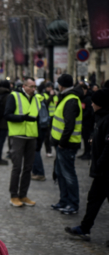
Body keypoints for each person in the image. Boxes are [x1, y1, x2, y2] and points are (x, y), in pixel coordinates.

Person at [65, 89, 109, 242]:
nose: (91, 104)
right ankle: (84, 228)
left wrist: (100, 163)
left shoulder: (107, 119)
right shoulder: (101, 116)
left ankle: (84, 228)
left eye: (94, 102)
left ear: (101, 104)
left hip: (105, 170)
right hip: (101, 172)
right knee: (93, 200)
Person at [51, 74, 83, 215]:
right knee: (60, 174)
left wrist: (62, 143)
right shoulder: (67, 98)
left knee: (68, 175)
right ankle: (63, 201)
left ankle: (72, 204)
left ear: (61, 85)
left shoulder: (70, 100)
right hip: (63, 144)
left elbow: (69, 126)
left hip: (67, 145)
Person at [5, 76, 40, 207]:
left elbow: (38, 117)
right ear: (24, 86)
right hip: (18, 136)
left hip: (32, 137)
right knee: (17, 167)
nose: (33, 89)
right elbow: (7, 115)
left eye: (35, 87)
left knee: (28, 168)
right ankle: (13, 196)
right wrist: (22, 118)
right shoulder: (14, 96)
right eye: (31, 86)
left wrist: (40, 137)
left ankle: (23, 195)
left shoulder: (36, 98)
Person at [31, 82, 49, 181]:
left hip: (38, 128)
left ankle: (39, 173)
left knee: (35, 150)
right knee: (35, 150)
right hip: (43, 127)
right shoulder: (42, 98)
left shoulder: (35, 99)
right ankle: (35, 171)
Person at [77, 83, 94, 160]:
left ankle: (88, 153)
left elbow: (89, 111)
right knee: (85, 137)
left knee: (87, 137)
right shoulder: (81, 98)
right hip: (83, 122)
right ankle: (86, 152)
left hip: (88, 122)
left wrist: (82, 117)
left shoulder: (88, 98)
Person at [43, 82, 58, 157]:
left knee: (55, 133)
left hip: (55, 117)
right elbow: (46, 103)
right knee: (47, 135)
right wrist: (51, 96)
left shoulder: (56, 95)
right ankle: (48, 150)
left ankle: (57, 149)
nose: (50, 89)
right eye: (48, 87)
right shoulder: (44, 95)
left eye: (51, 87)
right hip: (47, 117)